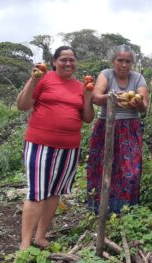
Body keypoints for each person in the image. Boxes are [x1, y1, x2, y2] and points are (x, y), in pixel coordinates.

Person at [16, 46, 95, 250]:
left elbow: (87, 118)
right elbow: (22, 105)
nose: (68, 63)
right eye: (63, 60)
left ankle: (40, 237)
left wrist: (88, 97)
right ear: (54, 61)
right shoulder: (43, 78)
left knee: (54, 193)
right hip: (40, 145)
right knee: (37, 193)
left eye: (72, 60)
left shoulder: (80, 86)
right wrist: (33, 80)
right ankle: (24, 245)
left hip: (69, 148)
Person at [86, 44, 148, 214]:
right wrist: (112, 97)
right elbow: (96, 97)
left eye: (128, 61)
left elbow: (145, 106)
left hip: (130, 128)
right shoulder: (106, 74)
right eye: (120, 60)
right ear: (113, 61)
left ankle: (125, 209)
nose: (124, 65)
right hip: (107, 126)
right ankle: (100, 208)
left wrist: (138, 102)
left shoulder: (138, 78)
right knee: (103, 167)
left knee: (131, 171)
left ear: (132, 63)